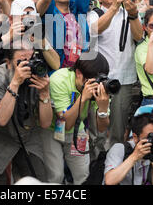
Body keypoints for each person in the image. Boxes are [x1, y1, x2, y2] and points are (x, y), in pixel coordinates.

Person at [0, 46, 53, 184]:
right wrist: (15, 83)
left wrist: (45, 94)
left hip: (26, 139)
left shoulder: (38, 75)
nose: (29, 65)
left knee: (38, 180)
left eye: (32, 59)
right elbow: (1, 120)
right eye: (22, 61)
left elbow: (45, 123)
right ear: (8, 63)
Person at [87, 0, 143, 147]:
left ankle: (114, 162)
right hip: (101, 79)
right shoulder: (94, 13)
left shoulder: (129, 12)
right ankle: (97, 161)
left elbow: (139, 36)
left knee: (118, 128)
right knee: (99, 127)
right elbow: (95, 29)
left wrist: (133, 15)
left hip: (124, 78)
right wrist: (113, 8)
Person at [40, 52, 111, 185]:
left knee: (83, 175)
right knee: (55, 176)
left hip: (78, 129)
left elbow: (102, 128)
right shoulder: (59, 80)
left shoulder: (101, 86)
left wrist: (102, 108)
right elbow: (66, 124)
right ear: (78, 73)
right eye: (92, 80)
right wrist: (83, 98)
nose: (96, 84)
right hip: (51, 129)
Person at [103, 113, 153, 185]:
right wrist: (134, 157)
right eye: (150, 137)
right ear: (135, 137)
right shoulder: (120, 148)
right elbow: (109, 181)